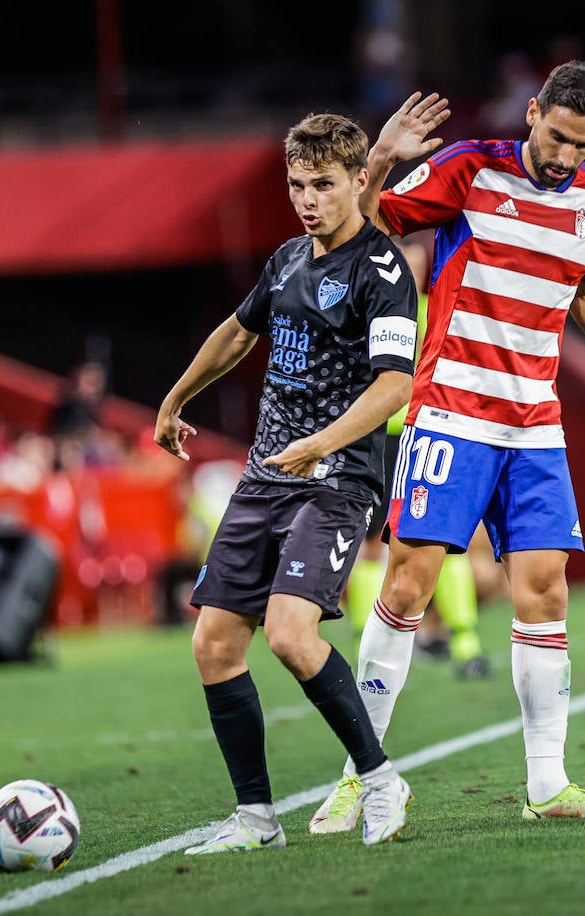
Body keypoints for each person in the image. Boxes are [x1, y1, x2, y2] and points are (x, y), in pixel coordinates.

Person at [310, 63, 585, 831]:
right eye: (560, 137)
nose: (568, 157)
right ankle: (356, 778)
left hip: (535, 424)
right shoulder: (470, 168)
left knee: (546, 594)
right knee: (408, 587)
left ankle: (548, 787)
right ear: (533, 113)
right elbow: (358, 233)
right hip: (450, 413)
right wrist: (381, 159)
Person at [155, 111, 418, 852]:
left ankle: (380, 780)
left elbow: (393, 387)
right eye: (297, 184)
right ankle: (255, 819)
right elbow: (238, 334)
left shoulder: (383, 270)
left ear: (358, 181)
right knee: (212, 642)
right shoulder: (285, 261)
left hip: (337, 479)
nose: (307, 199)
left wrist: (320, 446)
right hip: (268, 475)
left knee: (289, 633)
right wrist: (176, 400)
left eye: (323, 185)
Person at [343, 235, 506, 679]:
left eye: (414, 263)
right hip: (377, 440)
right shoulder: (368, 310)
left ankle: (464, 643)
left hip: (431, 435)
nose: (407, 272)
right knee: (373, 547)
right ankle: (368, 641)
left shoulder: (439, 308)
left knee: (445, 544)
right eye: (400, 263)